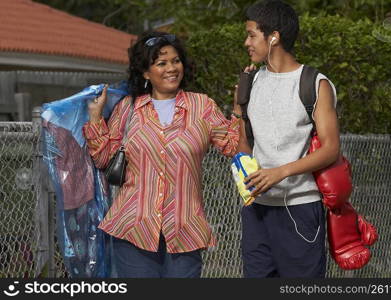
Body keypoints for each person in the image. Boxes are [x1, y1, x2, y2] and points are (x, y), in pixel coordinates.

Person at [82, 31, 242, 278]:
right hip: (133, 229)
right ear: (146, 72)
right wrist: (95, 116)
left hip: (185, 232)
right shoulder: (128, 108)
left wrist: (238, 109)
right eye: (161, 63)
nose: (172, 68)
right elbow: (103, 158)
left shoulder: (202, 106)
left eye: (176, 61)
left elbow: (233, 146)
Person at [236, 0, 340, 278]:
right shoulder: (251, 82)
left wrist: (280, 173)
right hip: (256, 211)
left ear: (274, 37)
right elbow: (244, 145)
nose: (246, 42)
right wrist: (237, 113)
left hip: (300, 210)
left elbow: (331, 149)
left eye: (251, 34)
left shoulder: (314, 83)